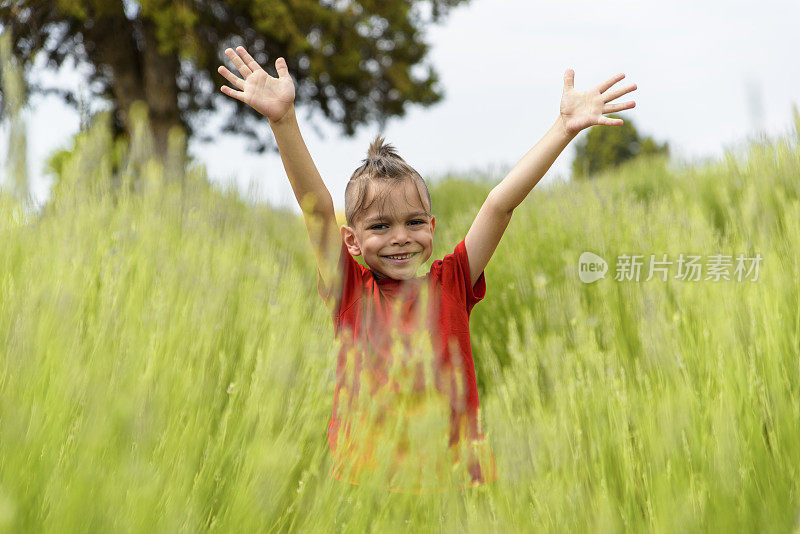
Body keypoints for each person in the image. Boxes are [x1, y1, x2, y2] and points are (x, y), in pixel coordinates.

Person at [217, 46, 637, 493]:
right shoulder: (350, 292)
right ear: (352, 241)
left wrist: (564, 127)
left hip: (453, 486)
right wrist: (283, 122)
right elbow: (317, 207)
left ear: (431, 228)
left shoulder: (453, 281)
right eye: (380, 226)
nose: (401, 236)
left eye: (414, 222)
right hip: (371, 489)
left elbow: (500, 203)